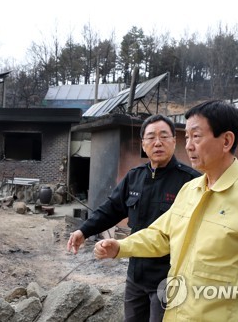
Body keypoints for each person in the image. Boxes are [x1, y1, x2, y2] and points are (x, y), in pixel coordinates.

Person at [94, 100, 238, 321]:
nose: (189, 145)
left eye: (197, 136)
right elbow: (161, 235)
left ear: (226, 140)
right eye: (187, 137)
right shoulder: (190, 190)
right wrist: (121, 247)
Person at [67, 114, 200, 322]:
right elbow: (111, 209)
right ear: (143, 144)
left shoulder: (191, 182)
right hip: (136, 276)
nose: (158, 142)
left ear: (175, 141)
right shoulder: (135, 177)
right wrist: (83, 230)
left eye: (164, 136)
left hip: (169, 278)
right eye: (151, 137)